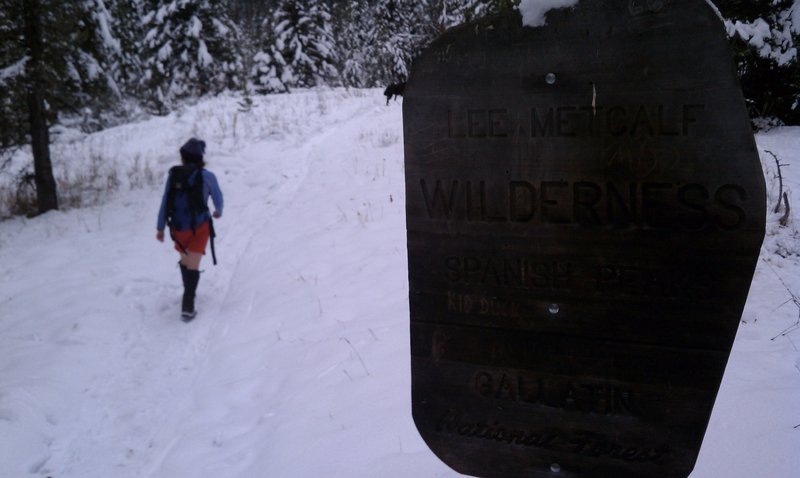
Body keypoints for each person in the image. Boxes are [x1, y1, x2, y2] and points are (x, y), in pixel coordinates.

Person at [156, 138, 223, 320]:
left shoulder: (174, 175)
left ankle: (187, 294)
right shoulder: (208, 176)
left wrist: (160, 227)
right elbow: (218, 199)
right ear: (200, 157)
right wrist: (218, 211)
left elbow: (165, 201)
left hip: (178, 228)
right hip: (200, 227)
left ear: (183, 157)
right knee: (193, 264)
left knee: (186, 262)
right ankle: (188, 304)